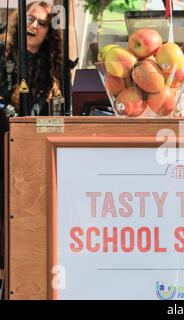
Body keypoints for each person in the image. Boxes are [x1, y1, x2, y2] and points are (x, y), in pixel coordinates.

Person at [0, 1, 63, 279]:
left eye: (42, 23)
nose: (34, 26)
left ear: (49, 32)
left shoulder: (56, 65)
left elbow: (61, 110)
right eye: (30, 19)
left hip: (38, 146)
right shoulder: (3, 54)